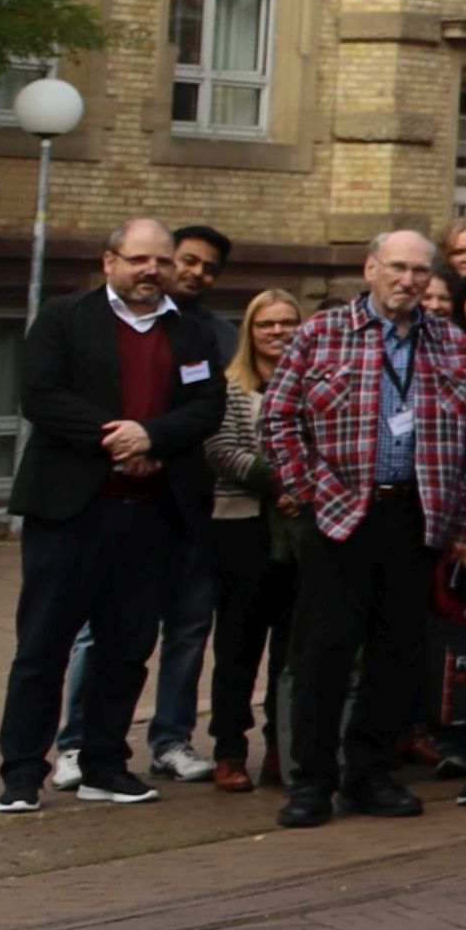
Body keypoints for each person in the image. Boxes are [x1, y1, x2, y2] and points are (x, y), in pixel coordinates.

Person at [258, 229, 466, 828]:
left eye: (419, 271)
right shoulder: (319, 334)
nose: (407, 281)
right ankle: (311, 780)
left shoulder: (454, 345)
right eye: (396, 268)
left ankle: (370, 774)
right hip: (338, 513)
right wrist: (304, 492)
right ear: (369, 269)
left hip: (417, 514)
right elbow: (278, 418)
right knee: (324, 653)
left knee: (397, 654)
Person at [0, 213, 215, 818]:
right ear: (109, 262)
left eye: (162, 262)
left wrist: (153, 436)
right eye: (139, 260)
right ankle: (21, 773)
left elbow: (206, 409)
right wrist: (117, 440)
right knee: (42, 646)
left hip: (151, 515)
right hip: (70, 511)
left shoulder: (194, 332)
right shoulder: (63, 319)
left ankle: (104, 764)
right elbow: (40, 396)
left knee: (126, 648)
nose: (152, 271)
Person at [191, 294, 301, 796]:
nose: (278, 332)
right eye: (267, 324)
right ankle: (230, 750)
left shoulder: (313, 383)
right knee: (238, 644)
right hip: (241, 527)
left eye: (288, 323)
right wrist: (278, 483)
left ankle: (283, 747)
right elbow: (219, 449)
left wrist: (302, 489)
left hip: (299, 529)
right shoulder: (229, 388)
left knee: (292, 647)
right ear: (249, 330)